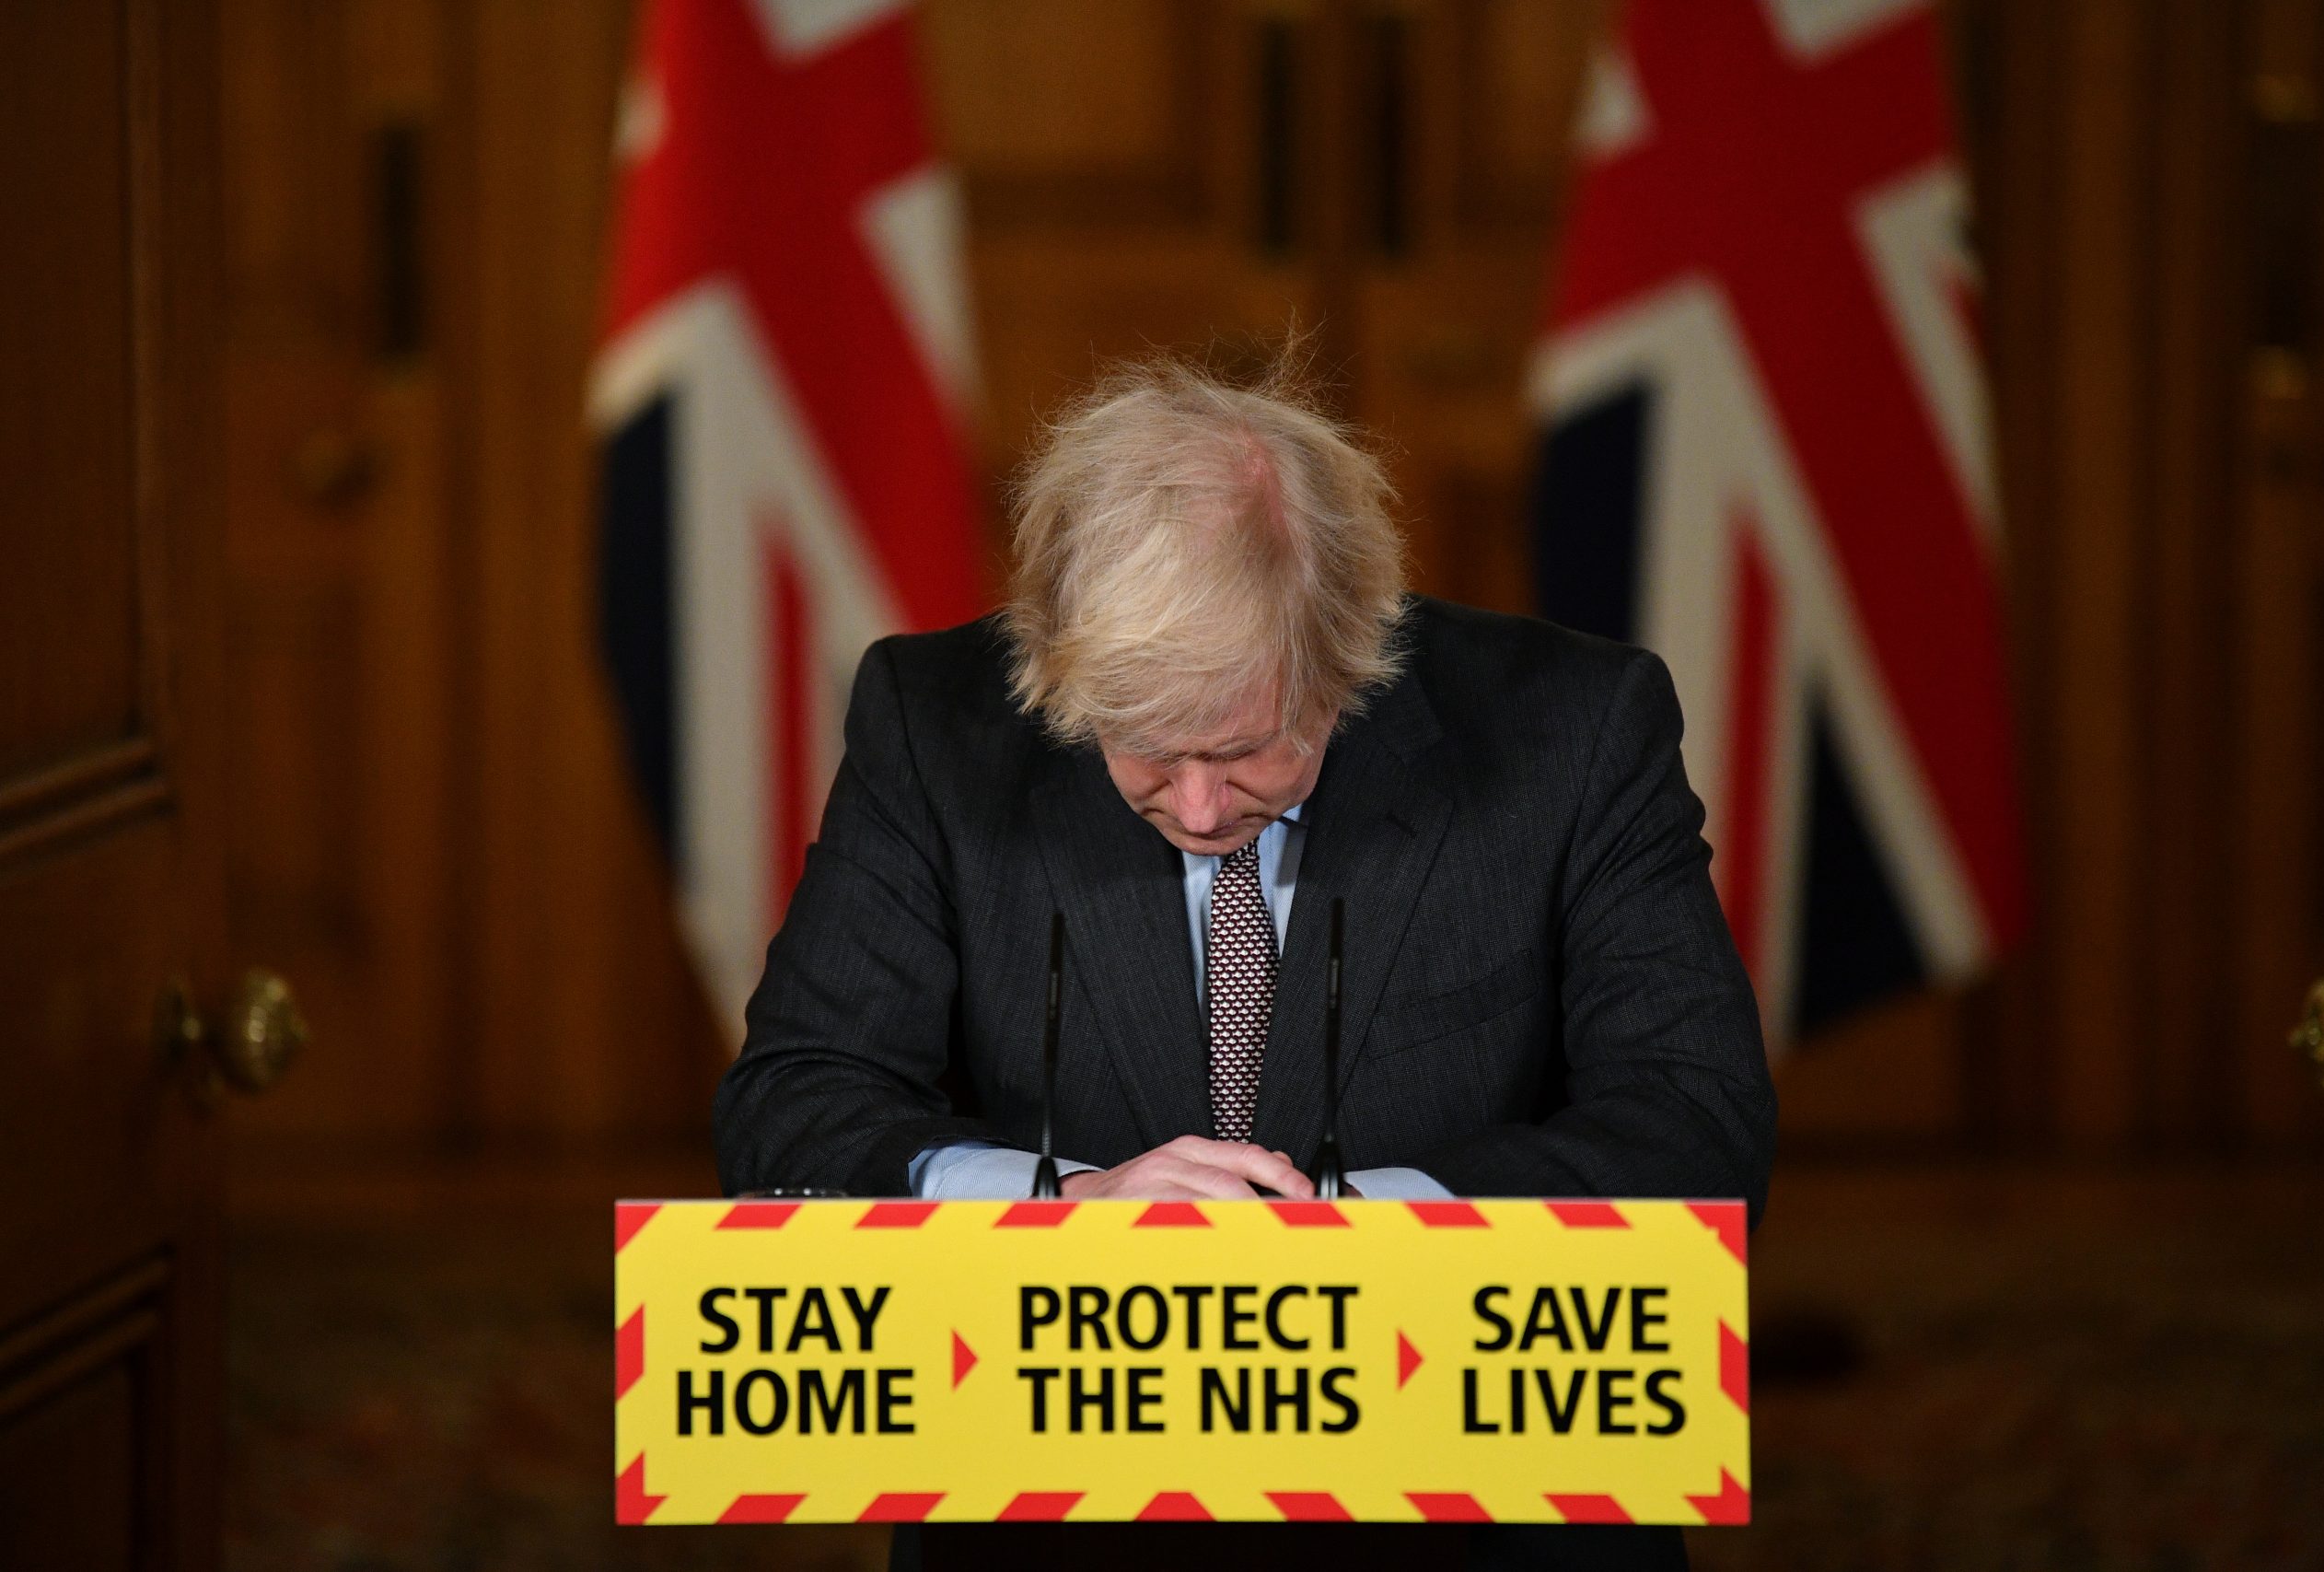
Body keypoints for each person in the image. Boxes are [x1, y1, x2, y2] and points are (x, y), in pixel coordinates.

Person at [713, 355, 1775, 1571]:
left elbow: (1698, 1126)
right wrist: (1058, 1215)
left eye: (1252, 747)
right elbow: (791, 1111)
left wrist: (1353, 1235)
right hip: (1064, 1494)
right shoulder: (933, 726)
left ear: (1351, 651)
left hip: (1474, 1494)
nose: (1205, 807)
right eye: (1146, 751)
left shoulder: (1575, 731)